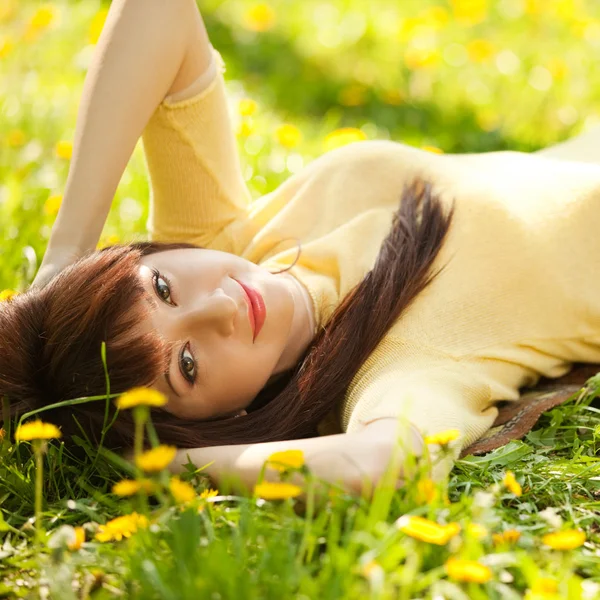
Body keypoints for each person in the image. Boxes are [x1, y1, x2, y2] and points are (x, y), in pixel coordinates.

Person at [2, 0, 600, 494]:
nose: (219, 309)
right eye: (186, 365)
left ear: (148, 257)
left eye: (162, 288)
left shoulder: (228, 240)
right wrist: (171, 466)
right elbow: (384, 465)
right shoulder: (397, 360)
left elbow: (158, 14)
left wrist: (68, 256)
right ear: (221, 421)